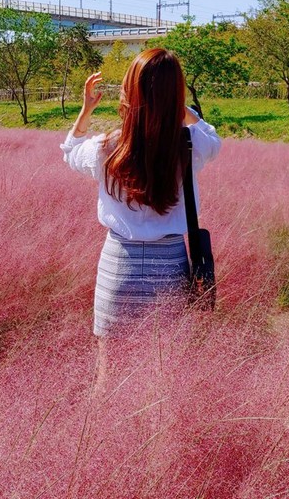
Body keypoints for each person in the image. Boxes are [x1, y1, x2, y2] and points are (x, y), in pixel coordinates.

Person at [61, 48, 221, 338]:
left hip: (119, 266)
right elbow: (213, 138)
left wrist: (86, 110)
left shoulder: (105, 147)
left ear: (128, 92)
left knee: (110, 362)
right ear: (177, 94)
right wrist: (177, 105)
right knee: (166, 359)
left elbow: (70, 151)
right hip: (171, 267)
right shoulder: (191, 144)